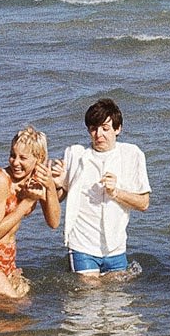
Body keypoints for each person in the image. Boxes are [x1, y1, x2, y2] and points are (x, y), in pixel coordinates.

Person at [52, 98, 150, 278]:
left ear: (117, 129)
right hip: (82, 244)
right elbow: (59, 197)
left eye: (105, 128)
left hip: (115, 246)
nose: (99, 135)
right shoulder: (75, 154)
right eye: (93, 129)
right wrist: (56, 184)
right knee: (86, 299)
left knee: (116, 300)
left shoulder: (132, 154)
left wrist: (116, 192)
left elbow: (144, 203)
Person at [0, 126, 61, 298]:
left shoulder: (36, 181)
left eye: (23, 158)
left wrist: (49, 186)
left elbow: (54, 223)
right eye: (12, 155)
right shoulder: (0, 180)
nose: (15, 162)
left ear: (38, 159)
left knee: (14, 318)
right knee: (16, 307)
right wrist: (27, 203)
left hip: (8, 259)